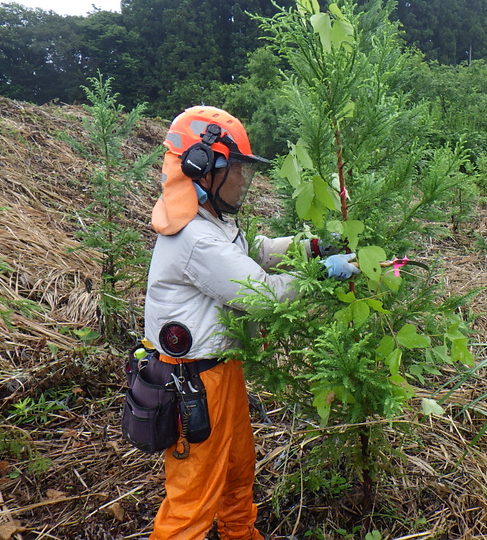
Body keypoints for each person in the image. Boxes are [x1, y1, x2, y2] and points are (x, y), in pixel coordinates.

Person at [143, 106, 358, 540]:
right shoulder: (195, 239)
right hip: (193, 385)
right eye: (236, 169)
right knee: (191, 502)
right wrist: (318, 274)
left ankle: (241, 535)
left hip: (221, 372)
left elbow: (253, 249)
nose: (244, 180)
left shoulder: (211, 222)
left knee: (238, 470)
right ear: (203, 170)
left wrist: (309, 246)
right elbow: (263, 294)